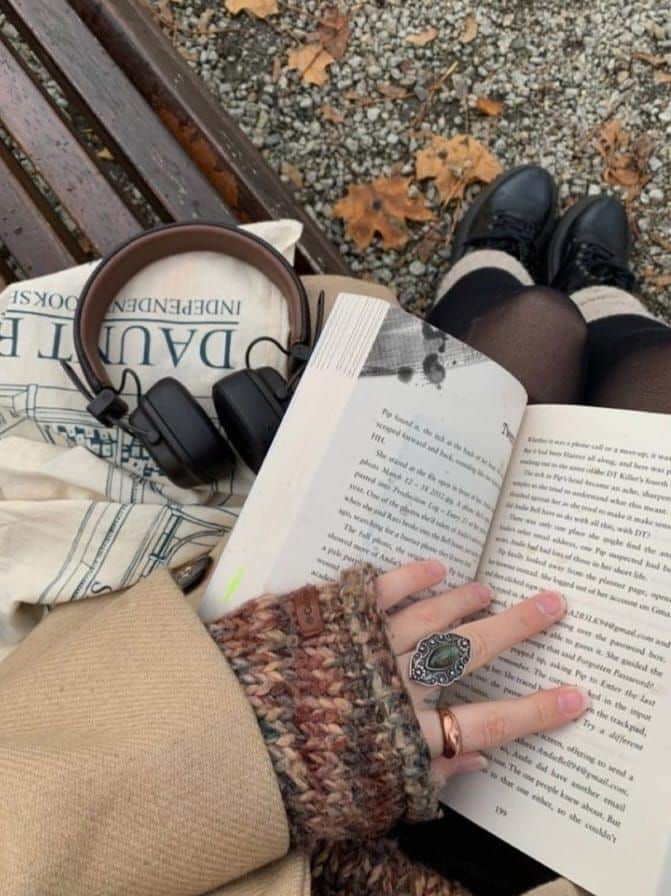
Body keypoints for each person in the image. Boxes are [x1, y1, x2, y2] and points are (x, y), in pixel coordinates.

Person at [0, 166, 668, 896]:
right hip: (503, 850)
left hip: (186, 799)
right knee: (631, 371)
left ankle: (490, 264)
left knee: (534, 325)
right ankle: (597, 293)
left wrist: (255, 735)